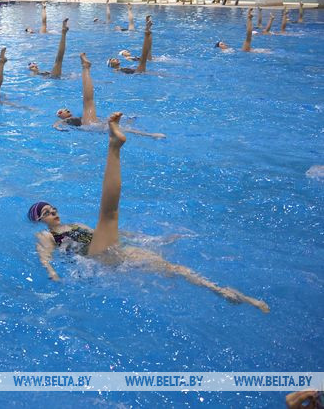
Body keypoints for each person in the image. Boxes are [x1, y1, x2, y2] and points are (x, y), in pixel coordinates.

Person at [31, 113, 269, 313]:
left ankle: (221, 291)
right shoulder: (47, 236)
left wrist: (147, 239)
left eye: (53, 208)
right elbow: (45, 257)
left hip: (112, 250)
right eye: (47, 212)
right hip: (95, 255)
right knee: (109, 213)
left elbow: (106, 233)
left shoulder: (76, 224)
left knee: (172, 268)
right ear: (40, 220)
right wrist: (52, 272)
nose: (53, 211)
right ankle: (113, 147)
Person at [55, 54, 164, 139]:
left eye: (66, 109)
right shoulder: (69, 120)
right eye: (62, 111)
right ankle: (150, 135)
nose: (67, 110)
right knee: (89, 101)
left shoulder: (77, 120)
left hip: (95, 126)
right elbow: (59, 122)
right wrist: (56, 126)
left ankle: (151, 135)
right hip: (94, 126)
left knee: (122, 128)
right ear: (59, 115)